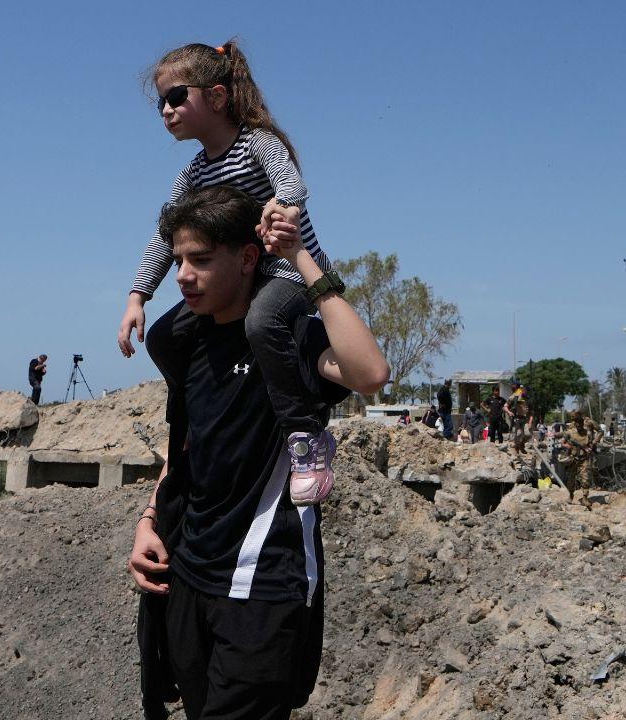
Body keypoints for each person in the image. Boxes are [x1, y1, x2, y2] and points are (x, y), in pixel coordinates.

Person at [130, 186, 388, 720]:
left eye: (200, 260)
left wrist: (300, 259)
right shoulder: (188, 343)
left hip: (262, 587)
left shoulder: (288, 338)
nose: (182, 275)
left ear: (248, 258)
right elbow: (185, 452)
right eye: (178, 260)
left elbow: (371, 375)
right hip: (187, 577)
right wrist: (150, 520)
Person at [116, 40, 338, 507]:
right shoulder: (193, 174)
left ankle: (305, 435)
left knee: (262, 322)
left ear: (216, 98)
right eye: (160, 102)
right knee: (162, 338)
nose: (166, 110)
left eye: (177, 97)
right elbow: (167, 235)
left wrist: (283, 205)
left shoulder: (258, 143)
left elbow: (293, 183)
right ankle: (196, 418)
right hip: (234, 281)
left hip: (286, 269)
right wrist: (139, 295)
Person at [561, 410, 601, 504]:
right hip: (573, 459)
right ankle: (571, 495)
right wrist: (569, 446)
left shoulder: (587, 433)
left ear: (582, 422)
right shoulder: (570, 432)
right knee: (571, 480)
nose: (578, 425)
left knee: (586, 479)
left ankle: (585, 497)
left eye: (580, 423)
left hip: (584, 458)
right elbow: (562, 442)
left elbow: (596, 436)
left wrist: (591, 446)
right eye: (576, 423)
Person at [505, 384, 531, 453]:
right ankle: (515, 451)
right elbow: (505, 406)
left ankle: (521, 445)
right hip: (516, 419)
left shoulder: (527, 398)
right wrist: (509, 413)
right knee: (515, 436)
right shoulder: (515, 396)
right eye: (525, 390)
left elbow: (529, 411)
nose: (526, 392)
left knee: (527, 435)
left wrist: (530, 421)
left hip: (524, 419)